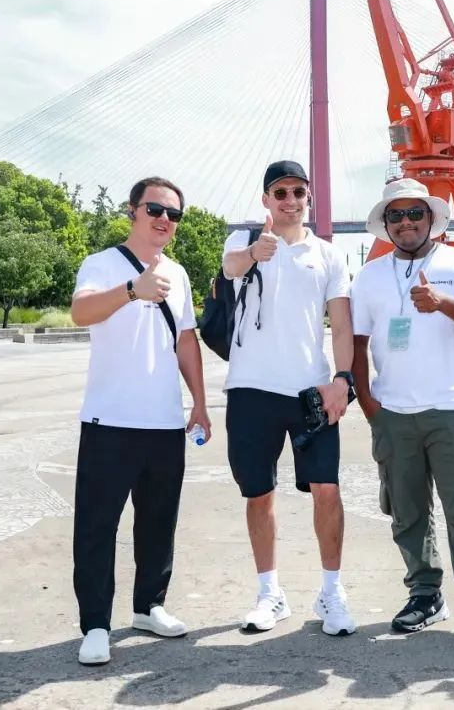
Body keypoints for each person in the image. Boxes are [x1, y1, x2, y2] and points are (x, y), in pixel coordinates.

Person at [350, 178, 454, 649]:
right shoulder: (370, 275)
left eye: (414, 213)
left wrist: (441, 302)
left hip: (452, 406)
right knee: (407, 509)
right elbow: (356, 343)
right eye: (395, 216)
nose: (406, 223)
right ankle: (424, 594)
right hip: (393, 410)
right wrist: (368, 400)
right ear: (386, 224)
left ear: (432, 218)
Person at [69, 176, 212, 666]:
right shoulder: (101, 264)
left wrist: (199, 402)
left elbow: (186, 340)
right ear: (133, 210)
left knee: (157, 523)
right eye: (155, 209)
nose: (164, 221)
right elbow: (80, 312)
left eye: (173, 214)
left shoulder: (179, 272)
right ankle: (94, 625)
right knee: (97, 526)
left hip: (164, 422)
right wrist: (133, 289)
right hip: (109, 420)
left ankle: (149, 606)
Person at [220, 160, 357, 636]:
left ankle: (332, 592)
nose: (291, 199)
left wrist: (343, 378)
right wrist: (256, 252)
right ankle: (269, 593)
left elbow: (340, 322)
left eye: (299, 191)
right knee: (258, 494)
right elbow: (229, 268)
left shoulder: (329, 255)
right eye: (281, 192)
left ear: (308, 198)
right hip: (251, 388)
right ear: (266, 200)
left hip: (310, 389)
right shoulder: (245, 242)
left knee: (327, 489)